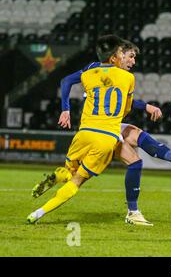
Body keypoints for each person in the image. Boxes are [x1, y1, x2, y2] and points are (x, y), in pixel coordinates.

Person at [31, 39, 171, 225]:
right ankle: (133, 207)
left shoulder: (96, 71)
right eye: (128, 56)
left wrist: (145, 106)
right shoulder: (110, 73)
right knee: (77, 177)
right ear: (115, 57)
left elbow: (71, 82)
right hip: (105, 130)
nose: (132, 61)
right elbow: (123, 107)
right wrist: (144, 106)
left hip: (95, 128)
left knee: (134, 155)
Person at [26, 35, 135, 224]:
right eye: (121, 53)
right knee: (77, 181)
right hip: (106, 136)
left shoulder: (88, 73)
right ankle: (38, 213)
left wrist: (66, 110)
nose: (125, 57)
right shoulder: (128, 78)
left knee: (68, 170)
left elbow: (66, 81)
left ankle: (53, 178)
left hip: (84, 133)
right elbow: (127, 109)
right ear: (113, 57)